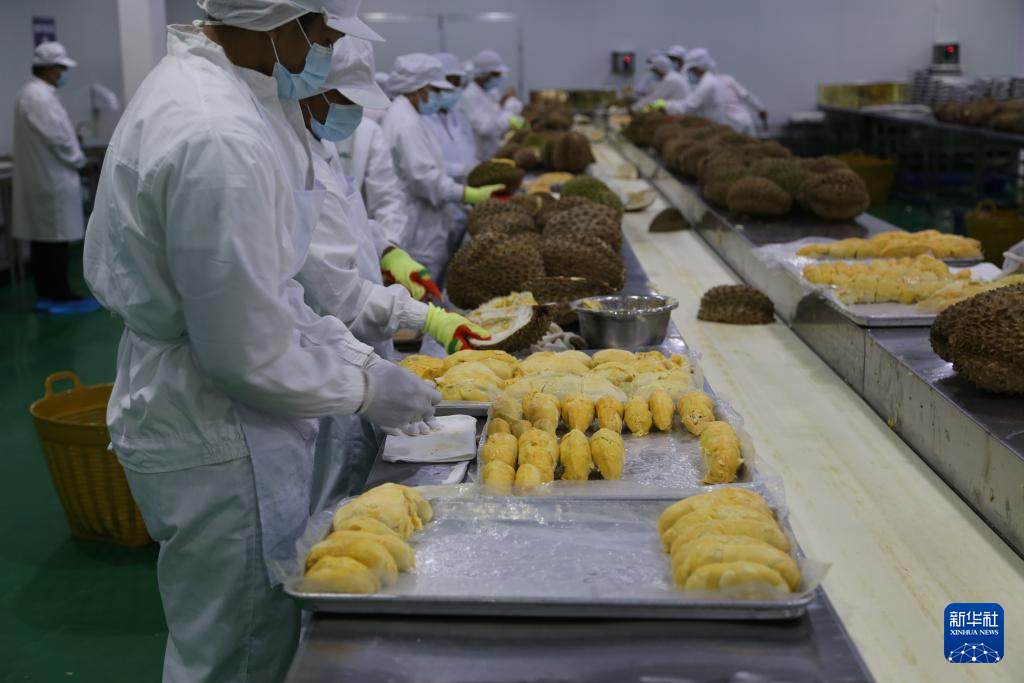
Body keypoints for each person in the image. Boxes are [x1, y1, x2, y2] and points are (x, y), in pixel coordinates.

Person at [82, 3, 440, 681]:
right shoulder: (221, 138)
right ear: (279, 20)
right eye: (326, 32)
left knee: (238, 634)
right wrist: (365, 388)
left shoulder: (222, 97)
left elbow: (271, 294)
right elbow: (246, 350)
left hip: (210, 404)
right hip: (219, 424)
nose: (330, 49)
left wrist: (360, 357)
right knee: (238, 650)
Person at [297, 41, 490, 510]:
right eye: (349, 100)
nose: (358, 112)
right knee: (324, 481)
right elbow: (334, 293)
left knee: (355, 465)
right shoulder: (290, 156)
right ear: (313, 93)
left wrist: (388, 252)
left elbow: (357, 221)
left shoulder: (322, 145)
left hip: (351, 325)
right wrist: (427, 318)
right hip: (319, 345)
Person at [381, 53, 504, 283]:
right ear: (417, 88)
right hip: (419, 227)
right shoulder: (406, 122)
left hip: (426, 221)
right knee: (421, 292)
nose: (438, 97)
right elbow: (424, 178)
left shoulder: (409, 115)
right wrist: (466, 194)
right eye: (434, 90)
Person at [12, 41, 98, 312]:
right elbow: (58, 139)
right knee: (53, 241)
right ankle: (58, 294)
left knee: (47, 241)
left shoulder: (33, 95)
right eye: (61, 69)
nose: (63, 74)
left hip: (46, 179)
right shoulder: (39, 97)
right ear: (49, 69)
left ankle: (51, 292)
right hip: (51, 182)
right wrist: (80, 162)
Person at [424, 52, 478, 252]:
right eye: (448, 84)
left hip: (462, 202)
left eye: (457, 85)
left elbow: (470, 151)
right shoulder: (422, 120)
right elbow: (423, 167)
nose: (452, 90)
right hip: (435, 207)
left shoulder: (459, 117)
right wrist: (461, 169)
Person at [457, 49, 525, 159]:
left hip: (493, 152)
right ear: (484, 74)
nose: (498, 78)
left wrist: (506, 112)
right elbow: (486, 127)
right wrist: (508, 115)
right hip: (478, 156)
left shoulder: (491, 92)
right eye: (496, 75)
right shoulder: (469, 96)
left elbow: (515, 105)